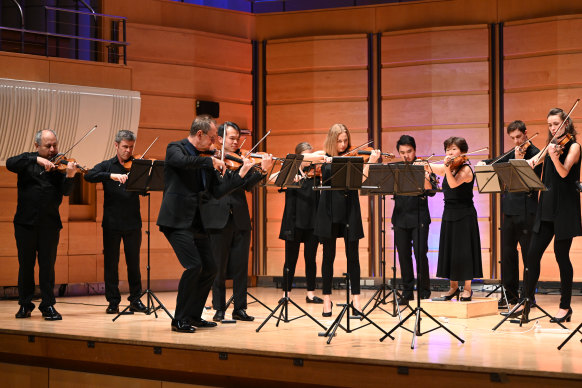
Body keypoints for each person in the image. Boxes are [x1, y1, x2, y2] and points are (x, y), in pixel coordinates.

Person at [157, 115, 255, 333]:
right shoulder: (176, 148)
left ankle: (193, 315)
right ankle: (179, 319)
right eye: (212, 139)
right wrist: (209, 160)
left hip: (196, 222)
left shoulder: (206, 159)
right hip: (176, 221)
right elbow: (182, 163)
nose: (214, 144)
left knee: (210, 267)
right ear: (199, 134)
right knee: (194, 266)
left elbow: (217, 191)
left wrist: (241, 173)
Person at [200, 121, 273, 322]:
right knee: (218, 267)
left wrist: (262, 171)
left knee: (241, 267)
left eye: (237, 138)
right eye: (232, 138)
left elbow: (248, 186)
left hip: (240, 217)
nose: (236, 142)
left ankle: (240, 308)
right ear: (221, 139)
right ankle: (219, 308)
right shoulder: (211, 160)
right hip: (217, 218)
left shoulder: (242, 159)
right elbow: (219, 187)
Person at [7, 129, 79, 320]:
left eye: (55, 144)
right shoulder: (27, 161)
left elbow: (65, 192)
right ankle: (25, 304)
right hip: (25, 223)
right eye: (48, 146)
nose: (53, 149)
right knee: (26, 266)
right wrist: (35, 159)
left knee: (47, 267)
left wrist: (71, 175)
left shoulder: (60, 165)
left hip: (49, 225)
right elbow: (9, 163)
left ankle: (48, 306)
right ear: (37, 146)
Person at [312, 123, 380, 317]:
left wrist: (371, 162)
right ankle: (326, 299)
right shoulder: (323, 156)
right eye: (339, 141)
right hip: (329, 210)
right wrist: (325, 159)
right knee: (328, 257)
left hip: (349, 208)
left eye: (345, 141)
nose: (343, 145)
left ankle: (356, 300)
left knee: (353, 257)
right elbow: (303, 158)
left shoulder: (353, 158)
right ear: (332, 141)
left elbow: (361, 180)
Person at [520, 108, 581, 323]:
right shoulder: (551, 146)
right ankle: (526, 302)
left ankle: (565, 307)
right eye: (550, 125)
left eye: (556, 124)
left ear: (566, 123)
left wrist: (553, 157)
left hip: (564, 210)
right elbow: (534, 161)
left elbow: (564, 172)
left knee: (561, 257)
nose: (553, 128)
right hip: (545, 208)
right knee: (532, 255)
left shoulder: (573, 146)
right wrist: (525, 161)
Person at [476, 120, 541, 308]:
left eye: (518, 137)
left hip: (528, 211)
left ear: (526, 133)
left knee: (528, 256)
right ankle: (509, 295)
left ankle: (528, 295)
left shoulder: (536, 153)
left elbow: (533, 175)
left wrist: (520, 160)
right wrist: (483, 162)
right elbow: (495, 163)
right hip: (510, 211)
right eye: (512, 138)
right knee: (507, 255)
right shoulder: (512, 152)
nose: (516, 141)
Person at [84, 130, 148, 315]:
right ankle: (113, 301)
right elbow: (89, 176)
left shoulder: (136, 166)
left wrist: (143, 179)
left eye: (131, 147)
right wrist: (110, 175)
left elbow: (144, 190)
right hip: (111, 223)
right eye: (125, 147)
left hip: (133, 223)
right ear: (116, 145)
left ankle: (136, 300)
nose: (128, 151)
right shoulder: (106, 165)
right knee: (111, 264)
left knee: (133, 263)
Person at [428, 137, 483, 301]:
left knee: (465, 252)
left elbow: (452, 184)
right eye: (447, 150)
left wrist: (444, 167)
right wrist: (423, 164)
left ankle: (467, 289)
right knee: (450, 250)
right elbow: (433, 168)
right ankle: (453, 288)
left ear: (462, 151)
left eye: (453, 149)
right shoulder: (449, 167)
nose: (450, 153)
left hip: (465, 214)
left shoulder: (466, 169)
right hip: (449, 213)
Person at [391, 135, 436, 305]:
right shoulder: (396, 169)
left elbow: (431, 191)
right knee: (403, 256)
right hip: (400, 217)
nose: (406, 156)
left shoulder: (424, 165)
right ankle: (407, 291)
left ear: (414, 150)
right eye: (402, 152)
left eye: (409, 152)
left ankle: (424, 291)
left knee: (420, 254)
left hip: (419, 217)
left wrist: (424, 173)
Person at [278, 142, 323, 304]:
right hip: (293, 222)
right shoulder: (291, 173)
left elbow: (324, 153)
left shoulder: (317, 174)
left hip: (312, 223)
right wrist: (294, 173)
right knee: (290, 259)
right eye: (306, 156)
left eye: (311, 156)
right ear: (298, 157)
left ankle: (310, 293)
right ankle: (286, 294)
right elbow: (274, 179)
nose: (309, 160)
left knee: (311, 259)